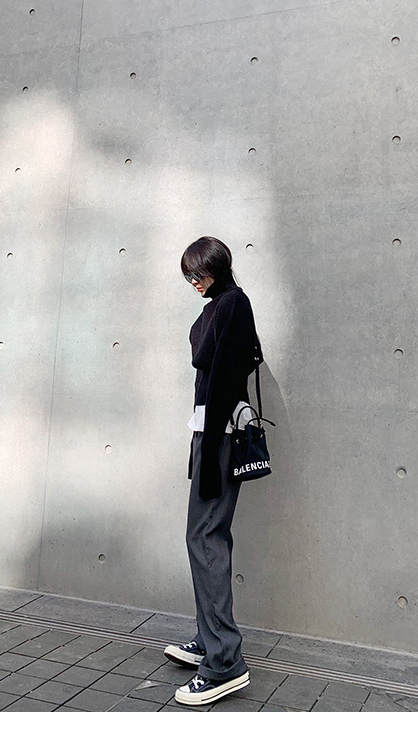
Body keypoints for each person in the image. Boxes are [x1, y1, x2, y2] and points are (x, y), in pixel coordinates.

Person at [165, 236, 261, 707]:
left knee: (206, 539)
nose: (193, 283)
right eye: (188, 276)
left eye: (197, 274)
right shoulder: (218, 307)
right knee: (203, 537)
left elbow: (226, 376)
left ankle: (225, 662)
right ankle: (210, 639)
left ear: (215, 267)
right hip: (209, 434)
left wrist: (208, 459)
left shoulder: (233, 304)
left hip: (220, 436)